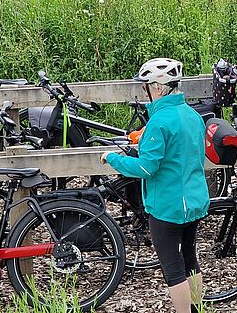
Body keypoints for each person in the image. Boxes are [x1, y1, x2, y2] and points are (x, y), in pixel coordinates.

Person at [101, 58, 209, 313]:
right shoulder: (193, 115)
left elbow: (146, 168)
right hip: (193, 202)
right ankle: (198, 309)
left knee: (173, 271)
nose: (145, 92)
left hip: (167, 206)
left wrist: (113, 158)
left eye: (145, 86)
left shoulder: (158, 122)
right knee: (190, 261)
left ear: (158, 87)